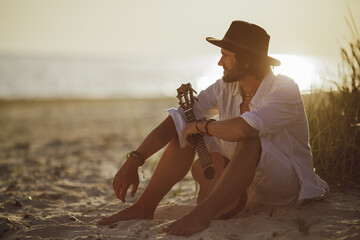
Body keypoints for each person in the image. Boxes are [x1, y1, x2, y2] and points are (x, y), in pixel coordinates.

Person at [97, 20, 329, 236]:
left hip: (282, 190)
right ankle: (144, 206)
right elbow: (177, 120)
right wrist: (135, 159)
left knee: (248, 138)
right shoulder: (225, 88)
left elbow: (247, 129)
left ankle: (201, 215)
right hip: (240, 190)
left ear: (247, 60)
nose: (220, 62)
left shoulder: (284, 88)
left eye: (225, 56)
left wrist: (203, 126)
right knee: (185, 132)